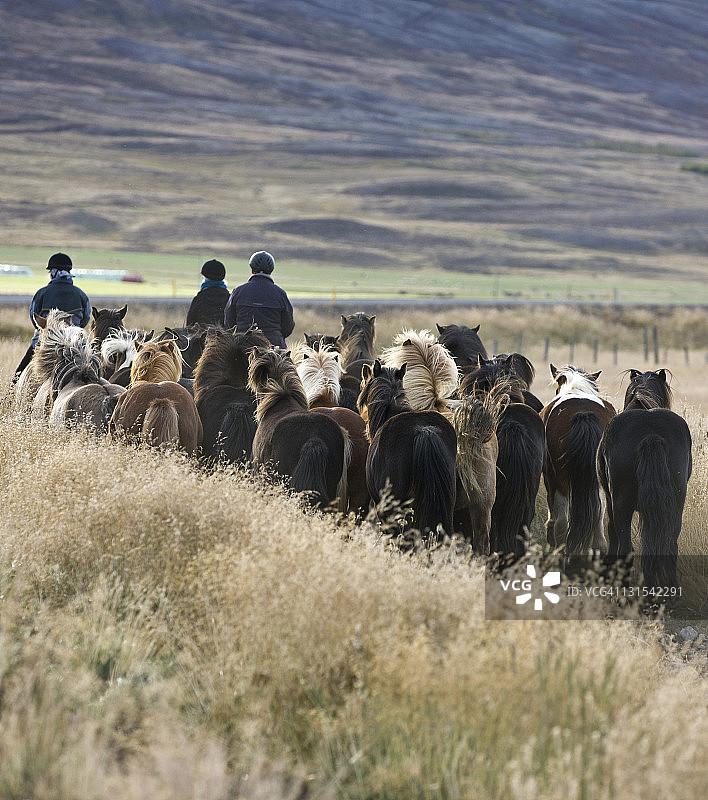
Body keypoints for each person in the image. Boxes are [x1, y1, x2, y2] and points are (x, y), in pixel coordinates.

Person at [14, 252, 92, 377]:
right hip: (76, 340)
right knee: (94, 369)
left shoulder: (42, 293)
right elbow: (86, 318)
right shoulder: (81, 294)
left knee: (19, 374)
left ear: (54, 273)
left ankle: (13, 387)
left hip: (46, 340)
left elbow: (34, 318)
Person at [223, 250, 294, 348]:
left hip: (241, 347)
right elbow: (288, 327)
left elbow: (228, 322)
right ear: (271, 271)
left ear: (252, 270)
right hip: (274, 348)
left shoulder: (238, 291)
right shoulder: (280, 293)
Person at [186, 259, 230, 327]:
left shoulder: (199, 298)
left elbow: (189, 325)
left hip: (203, 336)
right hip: (225, 336)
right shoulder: (229, 298)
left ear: (205, 277)